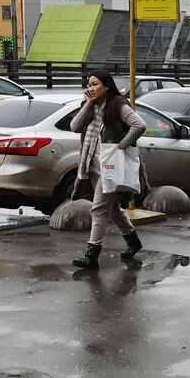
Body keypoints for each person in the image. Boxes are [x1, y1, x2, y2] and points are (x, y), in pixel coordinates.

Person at [70, 69, 147, 270]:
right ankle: (133, 242)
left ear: (107, 86)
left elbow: (139, 125)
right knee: (111, 209)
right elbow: (75, 127)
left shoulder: (117, 104)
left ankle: (91, 255)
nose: (91, 88)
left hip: (111, 166)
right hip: (93, 164)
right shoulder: (90, 105)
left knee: (98, 208)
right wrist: (88, 103)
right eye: (89, 84)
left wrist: (122, 145)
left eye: (95, 84)